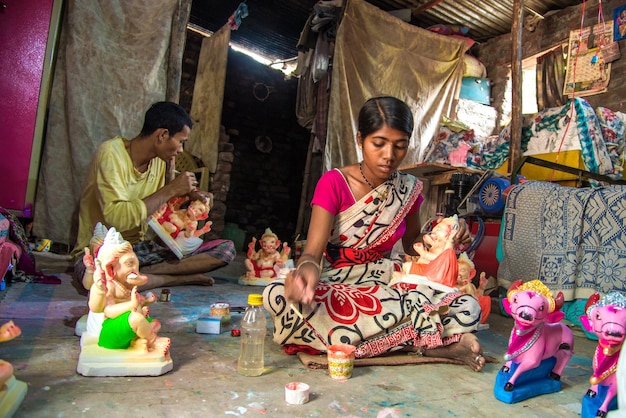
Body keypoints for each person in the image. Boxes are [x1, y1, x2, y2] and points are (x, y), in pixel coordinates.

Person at [263, 96, 485, 371]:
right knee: (277, 295)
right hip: (341, 286)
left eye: (400, 146)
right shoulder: (334, 182)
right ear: (360, 139)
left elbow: (413, 245)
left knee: (467, 305)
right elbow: (312, 252)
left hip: (388, 281)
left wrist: (446, 236)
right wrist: (306, 275)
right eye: (378, 144)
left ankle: (395, 339)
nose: (389, 155)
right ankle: (428, 340)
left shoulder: (409, 189)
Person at [71, 101, 235, 293]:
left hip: (138, 250)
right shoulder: (111, 154)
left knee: (226, 250)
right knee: (99, 283)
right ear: (162, 135)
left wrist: (192, 195)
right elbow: (116, 218)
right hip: (104, 251)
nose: (181, 150)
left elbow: (163, 203)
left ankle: (140, 275)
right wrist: (171, 190)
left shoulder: (159, 163)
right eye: (181, 141)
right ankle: (169, 278)